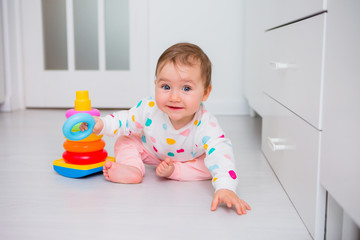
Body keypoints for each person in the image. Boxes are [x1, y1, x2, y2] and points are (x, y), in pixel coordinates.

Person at [81, 42, 251, 215]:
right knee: (126, 140)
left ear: (205, 93)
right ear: (156, 84)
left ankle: (175, 171)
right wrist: (102, 124)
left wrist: (226, 187)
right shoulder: (149, 108)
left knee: (209, 164)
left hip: (189, 160)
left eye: (186, 88)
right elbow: (125, 120)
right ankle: (132, 168)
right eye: (166, 87)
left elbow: (221, 153)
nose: (174, 97)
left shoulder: (206, 124)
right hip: (152, 153)